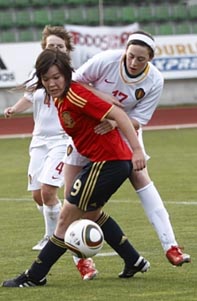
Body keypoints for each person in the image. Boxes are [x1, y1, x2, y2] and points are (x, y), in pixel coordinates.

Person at [2, 48, 150, 287]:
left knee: (65, 219)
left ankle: (34, 275)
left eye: (56, 77)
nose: (51, 83)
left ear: (66, 75)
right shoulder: (62, 98)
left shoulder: (75, 95)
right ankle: (134, 260)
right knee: (92, 214)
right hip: (105, 162)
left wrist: (137, 150)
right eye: (46, 78)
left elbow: (120, 115)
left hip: (109, 162)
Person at [63, 30, 191, 267]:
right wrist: (100, 95)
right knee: (71, 198)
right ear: (125, 51)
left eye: (140, 59)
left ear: (150, 59)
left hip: (123, 132)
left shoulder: (155, 80)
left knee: (142, 178)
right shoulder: (107, 60)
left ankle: (171, 246)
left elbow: (139, 118)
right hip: (88, 129)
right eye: (131, 55)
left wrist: (114, 122)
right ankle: (80, 260)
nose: (133, 62)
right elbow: (74, 82)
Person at [3, 25, 98, 280]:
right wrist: (14, 107)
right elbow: (28, 96)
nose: (55, 49)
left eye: (59, 46)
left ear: (68, 49)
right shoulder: (38, 78)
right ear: (43, 48)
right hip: (39, 142)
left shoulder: (74, 77)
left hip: (63, 140)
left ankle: (63, 246)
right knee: (38, 196)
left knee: (49, 192)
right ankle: (59, 234)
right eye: (50, 46)